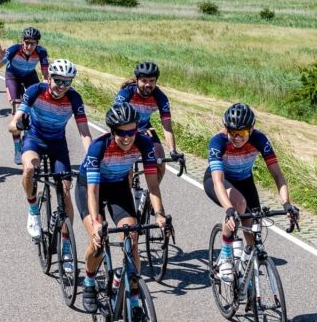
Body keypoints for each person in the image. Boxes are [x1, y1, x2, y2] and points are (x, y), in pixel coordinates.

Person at [77, 102, 166, 313]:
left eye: (131, 132)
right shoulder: (98, 148)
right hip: (90, 188)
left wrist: (160, 214)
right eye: (120, 133)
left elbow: (152, 186)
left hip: (118, 187)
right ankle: (89, 282)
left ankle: (134, 296)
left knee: (131, 238)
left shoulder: (144, 144)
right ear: (111, 131)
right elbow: (93, 192)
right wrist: (97, 224)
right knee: (98, 242)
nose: (127, 138)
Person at [9, 60, 93, 272]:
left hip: (57, 144)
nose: (62, 86)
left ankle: (65, 245)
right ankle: (33, 209)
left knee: (65, 191)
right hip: (35, 139)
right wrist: (18, 124)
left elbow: (84, 132)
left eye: (67, 82)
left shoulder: (74, 97)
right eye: (58, 81)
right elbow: (13, 123)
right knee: (29, 168)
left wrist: (92, 158)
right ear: (48, 78)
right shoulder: (35, 90)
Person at [204, 102, 297, 283]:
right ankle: (225, 254)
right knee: (238, 204)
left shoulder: (260, 139)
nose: (237, 138)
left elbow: (277, 174)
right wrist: (229, 209)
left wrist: (286, 203)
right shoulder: (218, 142)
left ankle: (247, 275)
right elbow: (217, 180)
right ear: (226, 129)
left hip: (245, 181)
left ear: (252, 130)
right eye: (232, 132)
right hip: (219, 180)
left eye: (243, 133)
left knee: (254, 228)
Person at [114, 61, 181, 184]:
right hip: (125, 130)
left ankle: (151, 199)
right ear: (137, 80)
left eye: (151, 81)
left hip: (145, 129)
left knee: (160, 160)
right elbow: (115, 119)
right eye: (144, 81)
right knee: (126, 171)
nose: (148, 84)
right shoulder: (126, 93)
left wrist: (173, 150)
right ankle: (127, 199)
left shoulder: (160, 97)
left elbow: (167, 127)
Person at [0, 27, 50, 164]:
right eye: (27, 42)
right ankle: (17, 149)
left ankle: (35, 138)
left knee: (38, 105)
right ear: (22, 41)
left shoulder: (41, 52)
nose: (29, 46)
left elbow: (45, 75)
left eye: (33, 43)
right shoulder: (13, 50)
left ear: (37, 43)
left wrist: (46, 89)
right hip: (13, 77)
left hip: (30, 76)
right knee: (17, 109)